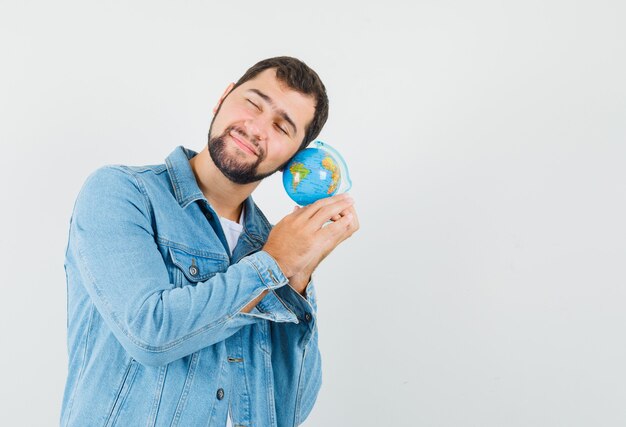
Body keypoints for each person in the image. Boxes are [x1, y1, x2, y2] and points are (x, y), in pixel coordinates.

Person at [60, 56, 359, 427]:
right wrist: (274, 264)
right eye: (252, 103)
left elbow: (286, 411)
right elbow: (149, 334)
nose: (256, 128)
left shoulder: (271, 245)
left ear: (294, 160)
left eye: (282, 127)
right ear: (223, 98)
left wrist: (298, 278)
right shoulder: (122, 192)